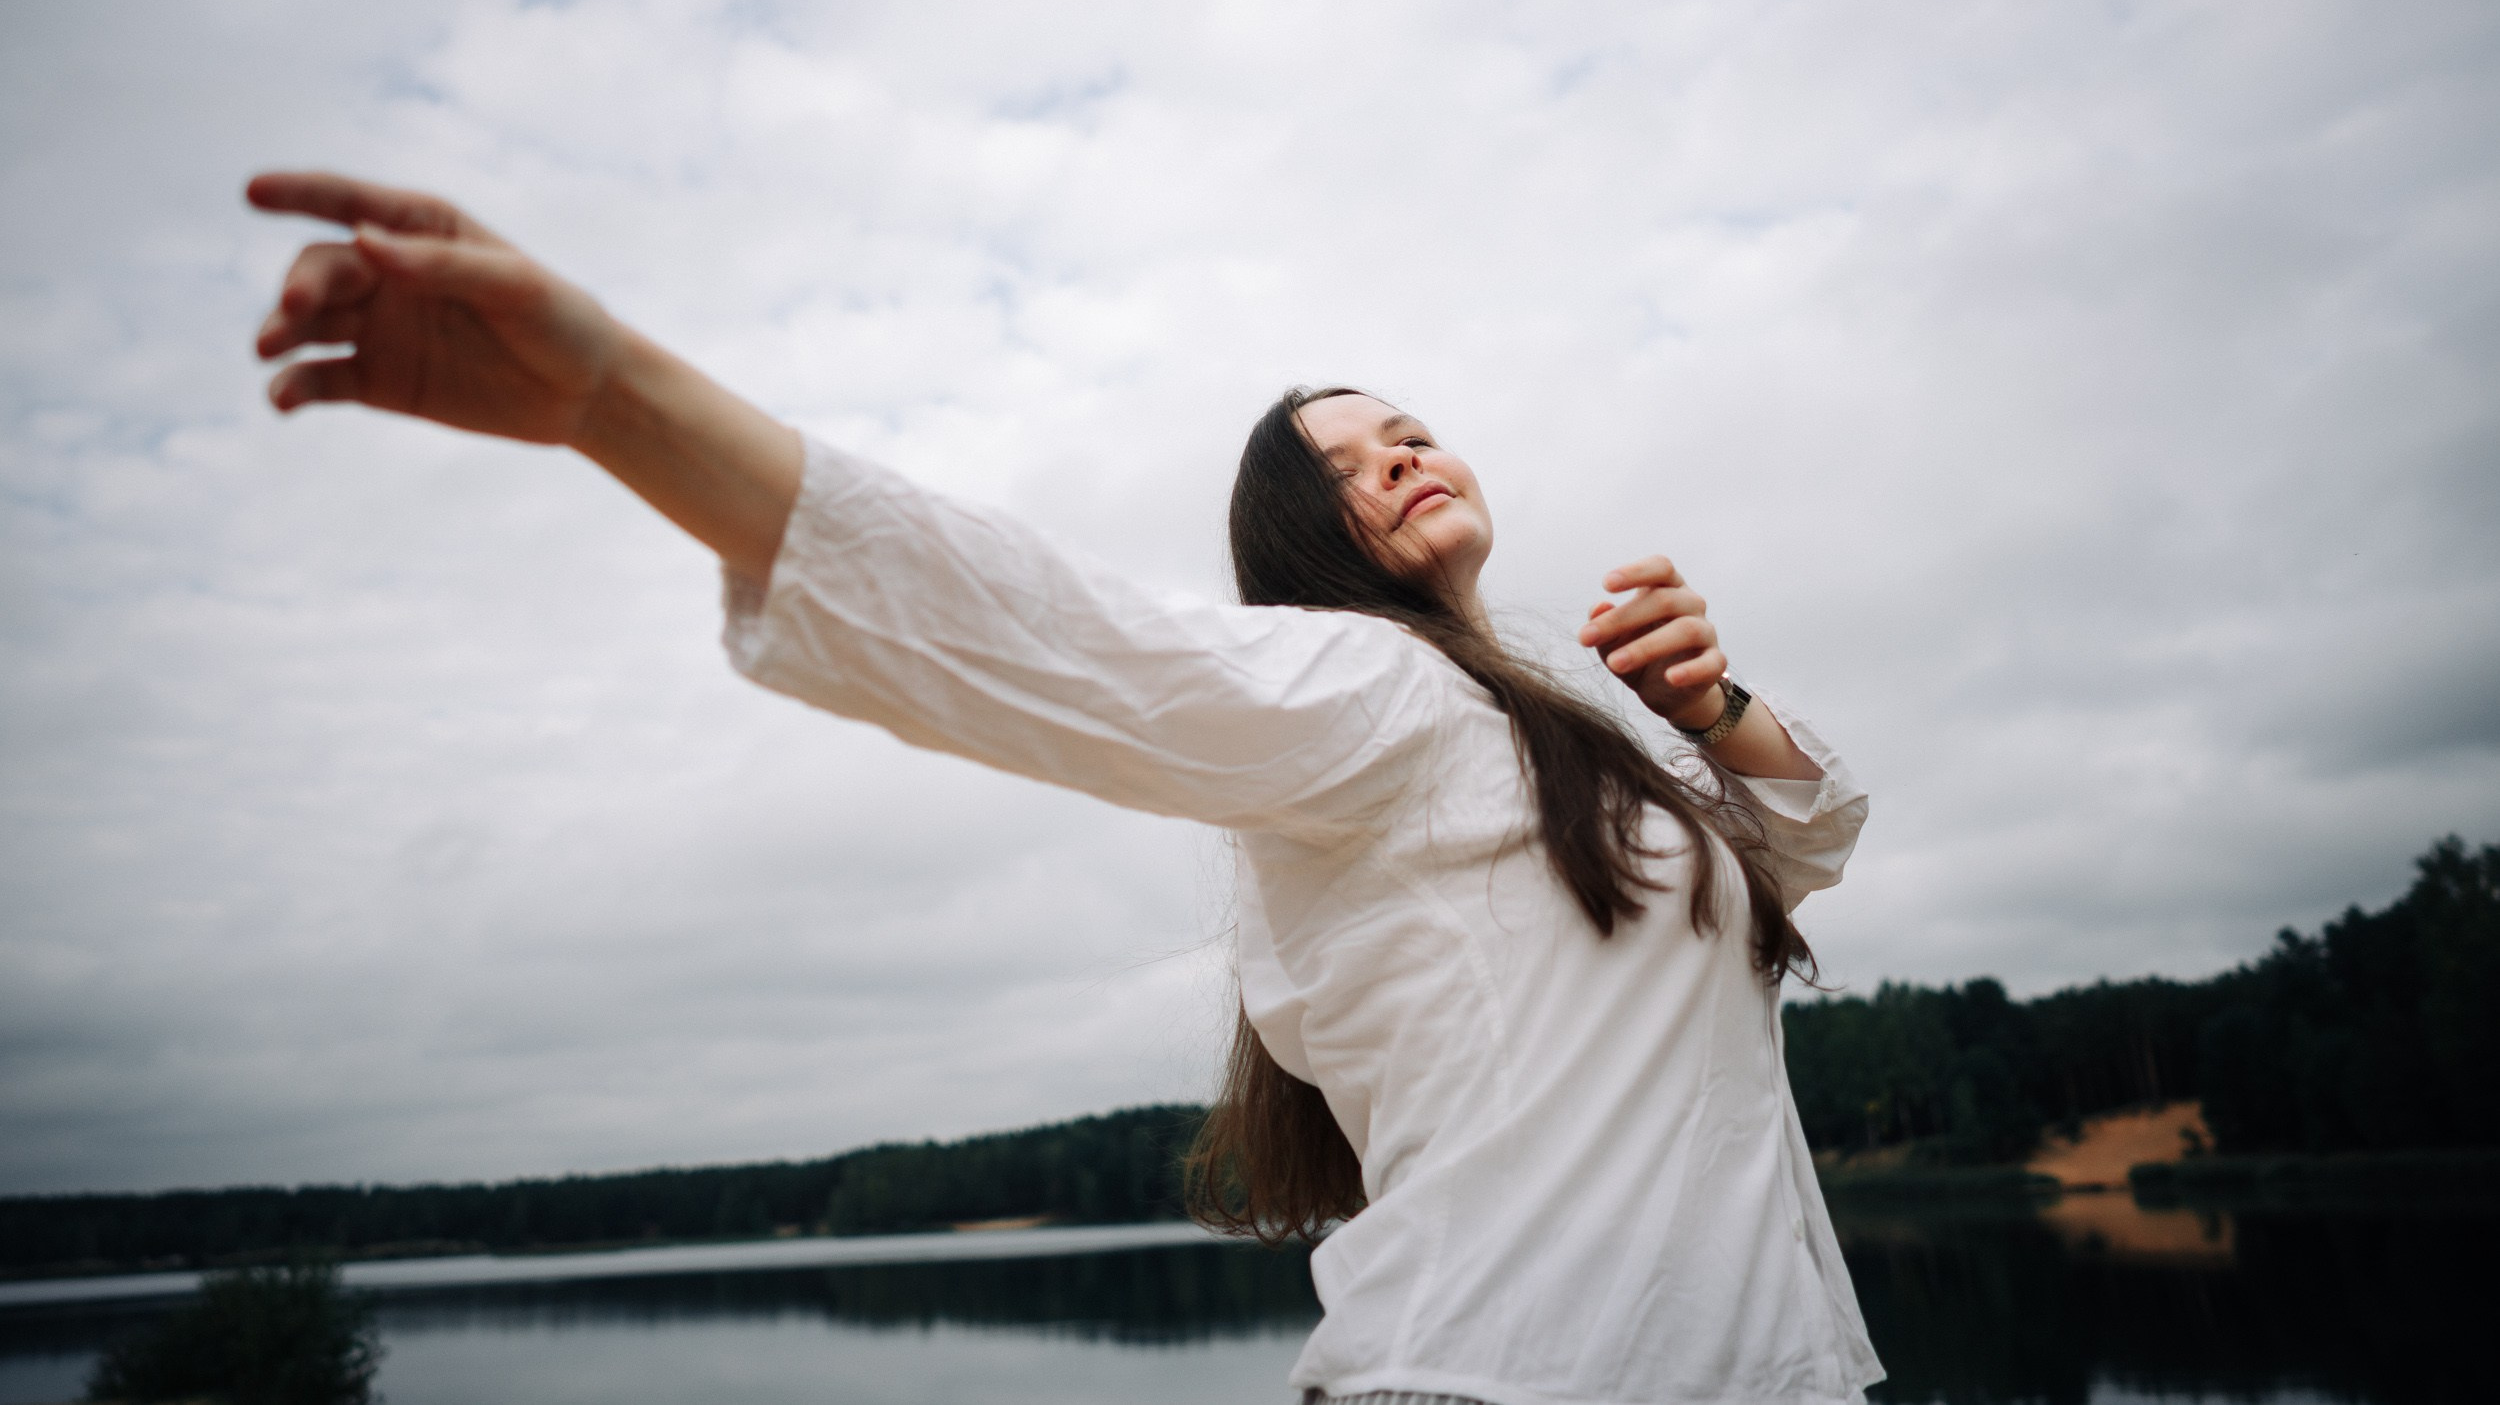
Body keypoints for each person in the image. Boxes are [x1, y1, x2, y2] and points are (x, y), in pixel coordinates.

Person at [248, 171, 1884, 1405]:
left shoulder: (1563, 719)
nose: (1392, 453)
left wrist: (1711, 704)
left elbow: (1808, 840)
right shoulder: (1365, 695)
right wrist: (613, 397)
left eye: (1405, 428)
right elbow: (1060, 640)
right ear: (1305, 554)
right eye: (1337, 468)